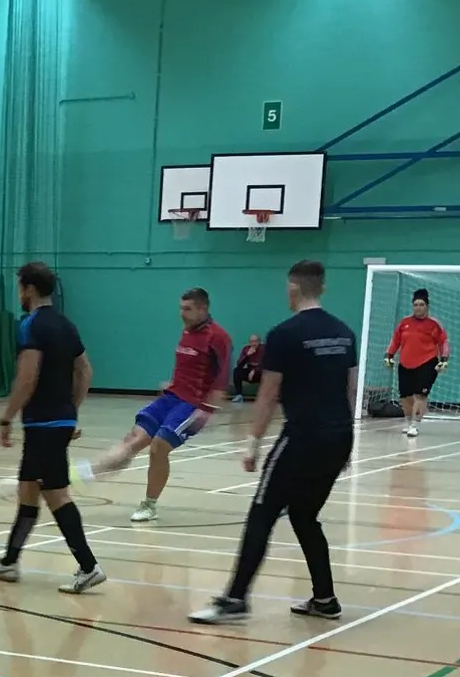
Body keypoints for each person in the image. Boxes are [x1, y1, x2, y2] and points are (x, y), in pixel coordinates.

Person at [191, 259, 357, 625]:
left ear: (293, 289)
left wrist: (252, 443)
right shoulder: (345, 332)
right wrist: (347, 442)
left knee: (262, 512)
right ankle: (325, 599)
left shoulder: (284, 334)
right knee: (303, 514)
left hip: (303, 438)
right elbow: (350, 389)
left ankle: (235, 599)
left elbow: (267, 394)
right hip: (339, 436)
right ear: (323, 289)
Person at [0, 262, 105, 594]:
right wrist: (71, 412)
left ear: (29, 289)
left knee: (56, 495)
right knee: (28, 491)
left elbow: (27, 377)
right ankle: (9, 562)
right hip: (56, 420)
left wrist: (7, 416)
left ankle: (89, 566)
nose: (20, 294)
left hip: (43, 422)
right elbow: (86, 371)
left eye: (21, 287)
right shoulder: (67, 324)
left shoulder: (31, 325)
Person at [92, 287, 231, 524]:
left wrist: (206, 410)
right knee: (132, 440)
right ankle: (80, 475)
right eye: (181, 308)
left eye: (187, 309)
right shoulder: (187, 331)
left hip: (192, 405)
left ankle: (149, 505)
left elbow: (221, 380)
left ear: (203, 309)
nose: (182, 314)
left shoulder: (218, 337)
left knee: (158, 447)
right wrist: (173, 383)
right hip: (171, 397)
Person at [383, 287, 450, 437]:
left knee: (420, 395)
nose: (418, 308)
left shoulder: (434, 324)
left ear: (427, 306)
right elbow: (395, 340)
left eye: (421, 305)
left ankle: (415, 424)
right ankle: (408, 422)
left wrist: (444, 359)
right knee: (405, 396)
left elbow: (443, 342)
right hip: (405, 364)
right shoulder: (404, 323)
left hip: (427, 363)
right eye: (416, 305)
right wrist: (389, 354)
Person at [233, 333, 265, 400]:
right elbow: (239, 365)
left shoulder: (264, 349)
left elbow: (267, 363)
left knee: (268, 374)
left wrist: (255, 370)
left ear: (259, 341)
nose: (253, 344)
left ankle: (265, 396)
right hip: (249, 373)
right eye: (251, 341)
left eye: (255, 341)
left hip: (260, 373)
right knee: (236, 371)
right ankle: (239, 395)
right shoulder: (246, 349)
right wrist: (247, 355)